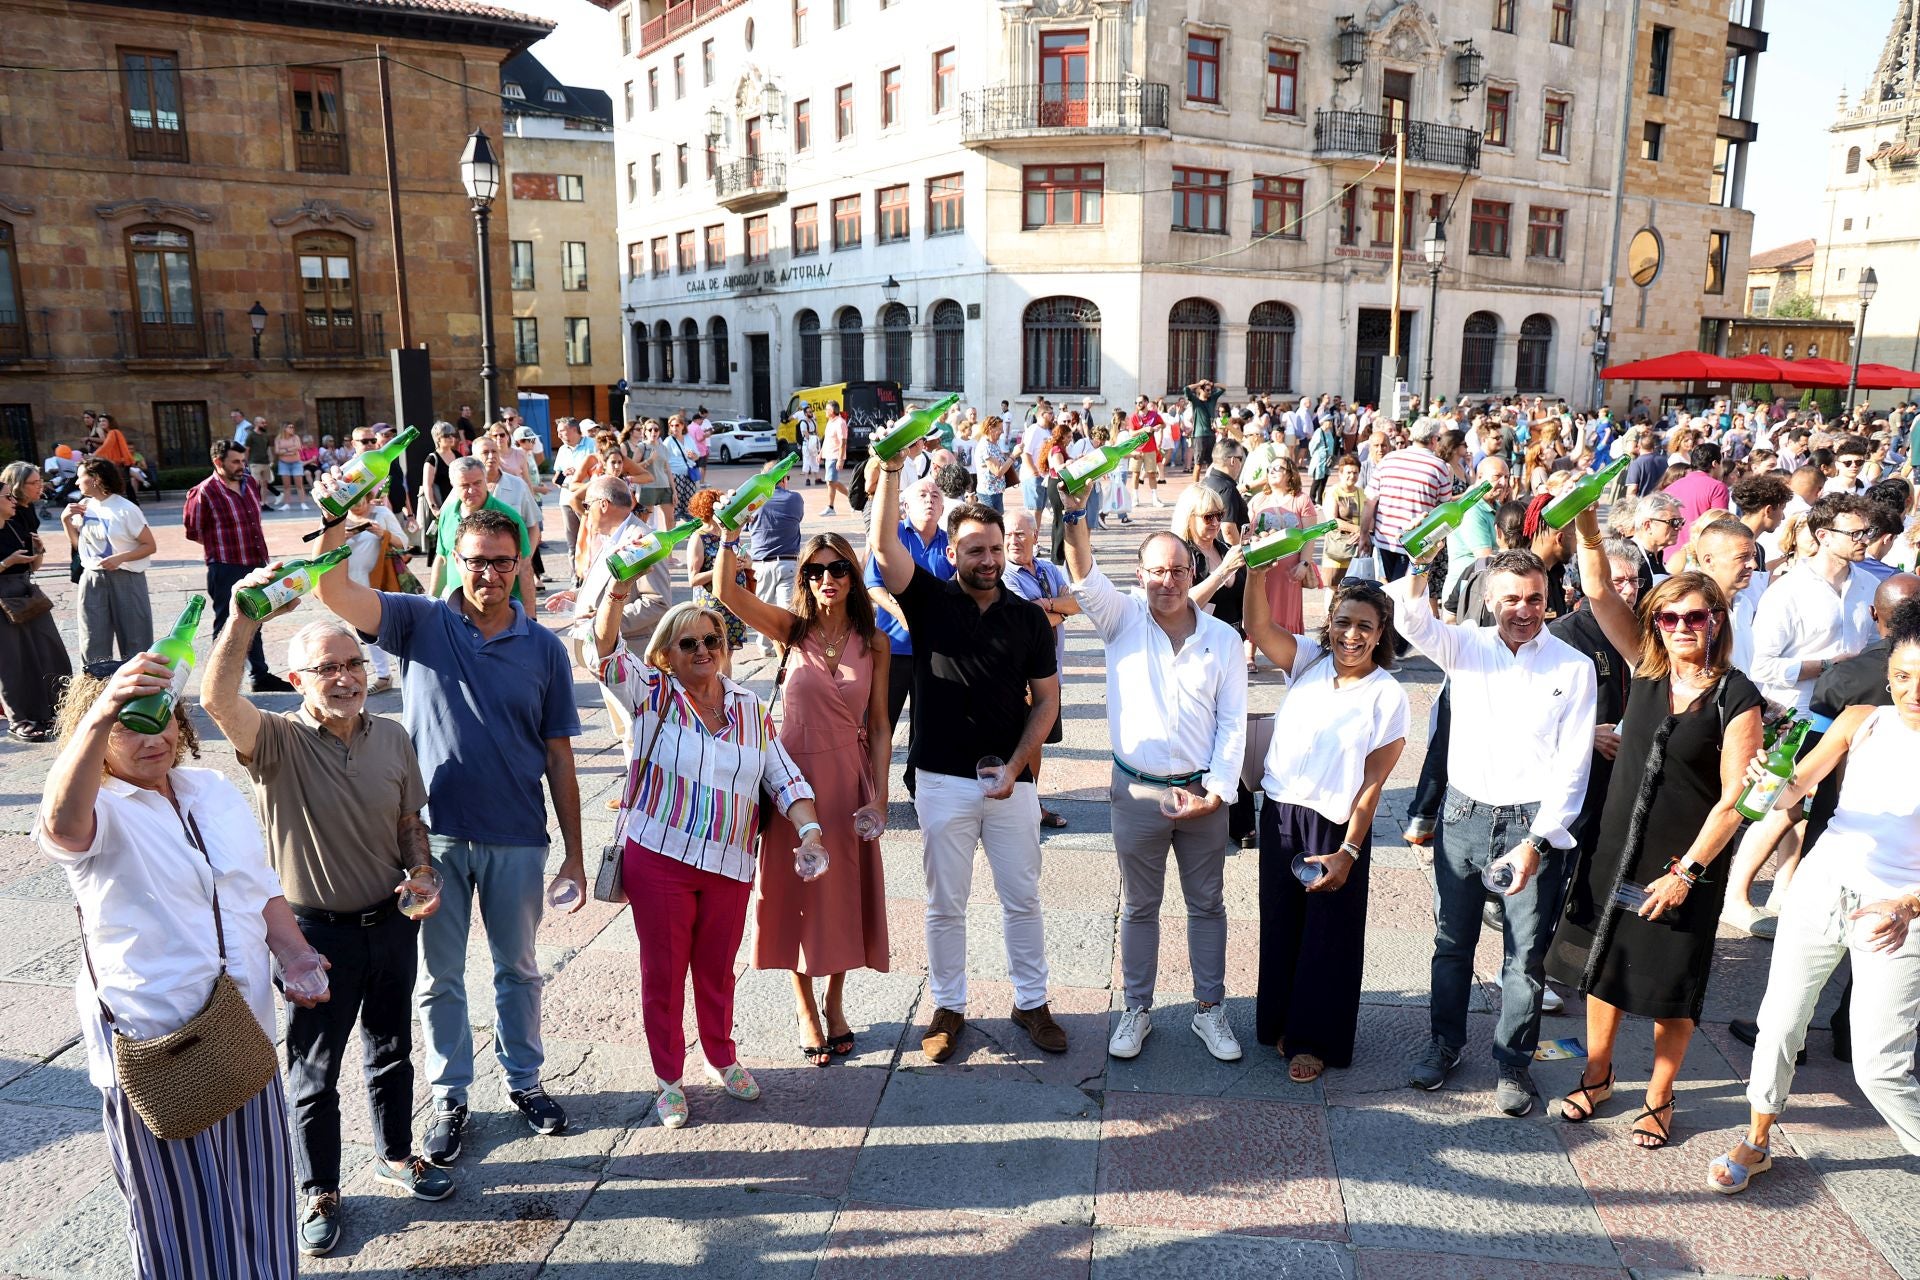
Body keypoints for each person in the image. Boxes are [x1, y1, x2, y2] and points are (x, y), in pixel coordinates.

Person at [311, 499, 584, 1163]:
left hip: (518, 835)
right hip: (430, 840)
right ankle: (452, 1093)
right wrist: (335, 522)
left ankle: (524, 1079)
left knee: (517, 969)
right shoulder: (418, 619)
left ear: (519, 562)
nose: (488, 573)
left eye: (500, 560)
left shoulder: (544, 649)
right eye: (475, 562)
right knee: (438, 978)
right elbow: (332, 588)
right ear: (454, 563)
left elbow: (559, 756)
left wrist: (576, 854)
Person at [40, 656, 327, 1278]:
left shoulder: (212, 790)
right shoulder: (97, 810)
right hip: (159, 1042)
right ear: (95, 729)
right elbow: (62, 825)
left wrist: (295, 953)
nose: (157, 738)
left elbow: (258, 885)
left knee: (261, 1198)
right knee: (182, 1224)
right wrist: (101, 711)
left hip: (242, 1027)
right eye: (130, 724)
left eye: (165, 718)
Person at [201, 588, 452, 1254]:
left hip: (392, 922)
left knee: (393, 1049)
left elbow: (408, 822)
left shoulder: (391, 736)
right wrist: (244, 616)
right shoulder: (276, 740)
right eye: (326, 669)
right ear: (296, 681)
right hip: (316, 935)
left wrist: (421, 870)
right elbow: (217, 700)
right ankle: (318, 1188)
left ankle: (397, 1155)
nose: (344, 678)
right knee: (314, 1070)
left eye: (354, 664)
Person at [1545, 506, 1764, 1149]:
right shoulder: (1646, 666)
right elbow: (1597, 590)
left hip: (1683, 859)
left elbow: (1735, 802)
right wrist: (1587, 528)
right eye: (1668, 618)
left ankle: (1660, 1097)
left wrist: (1688, 873)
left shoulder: (1737, 696)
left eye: (1694, 617)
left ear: (1715, 621)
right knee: (1603, 963)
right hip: (1617, 848)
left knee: (1672, 981)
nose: (1680, 628)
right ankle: (1597, 1073)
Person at [1708, 599, 1920, 1191]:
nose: (1912, 691)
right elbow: (1795, 787)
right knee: (1779, 1023)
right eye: (1902, 676)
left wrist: (1909, 905)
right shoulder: (1862, 719)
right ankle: (1756, 1141)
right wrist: (1766, 780)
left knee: (1880, 1068)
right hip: (1823, 886)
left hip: (1898, 912)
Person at [590, 598, 827, 1123]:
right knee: (665, 971)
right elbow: (603, 652)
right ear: (667, 655)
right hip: (660, 859)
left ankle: (721, 1055)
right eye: (689, 643)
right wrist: (615, 595)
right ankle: (669, 1078)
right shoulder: (651, 695)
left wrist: (809, 832)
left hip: (730, 864)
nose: (703, 650)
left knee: (718, 970)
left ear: (725, 647)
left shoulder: (747, 706)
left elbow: (784, 777)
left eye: (712, 640)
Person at [869, 456, 1066, 1063]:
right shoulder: (929, 601)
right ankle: (948, 1006)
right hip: (941, 780)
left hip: (1013, 782)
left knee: (1022, 898)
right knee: (944, 902)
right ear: (953, 555)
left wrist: (1017, 767)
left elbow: (1049, 700)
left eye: (995, 549)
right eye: (974, 550)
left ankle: (1031, 1001)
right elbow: (881, 547)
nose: (987, 560)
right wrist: (891, 471)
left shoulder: (1029, 616)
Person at [1397, 546, 1596, 1116]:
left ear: (1549, 599)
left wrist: (1538, 841)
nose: (1524, 609)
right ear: (1489, 600)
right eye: (1510, 598)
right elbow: (1412, 620)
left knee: (1525, 956)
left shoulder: (1572, 666)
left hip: (1532, 820)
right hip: (1463, 814)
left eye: (1534, 598)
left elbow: (1573, 765)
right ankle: (1445, 1043)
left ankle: (1514, 1062)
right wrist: (1419, 559)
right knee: (1451, 941)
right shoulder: (1465, 646)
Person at [1054, 484, 1246, 1063]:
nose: (1167, 581)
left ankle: (1209, 1010)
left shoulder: (1222, 639)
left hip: (1200, 793)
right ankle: (1136, 1007)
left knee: (1207, 902)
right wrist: (1073, 513)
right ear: (1139, 576)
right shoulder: (1122, 621)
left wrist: (1218, 791)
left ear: (1194, 572)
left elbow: (1234, 721)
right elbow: (1083, 571)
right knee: (1139, 905)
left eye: (1178, 571)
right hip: (1136, 788)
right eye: (1156, 571)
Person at [713, 532, 891, 1065]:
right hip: (791, 780)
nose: (826, 580)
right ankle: (804, 1007)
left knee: (841, 893)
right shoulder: (790, 631)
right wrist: (726, 534)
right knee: (793, 893)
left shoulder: (873, 640)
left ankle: (835, 1001)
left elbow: (880, 726)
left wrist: (878, 796)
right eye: (814, 572)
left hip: (847, 781)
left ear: (853, 575)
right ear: (804, 580)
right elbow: (725, 589)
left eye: (837, 569)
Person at [1244, 566, 1407, 1081]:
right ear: (1328, 624)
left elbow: (1373, 784)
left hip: (1334, 827)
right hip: (1280, 813)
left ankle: (1315, 1039)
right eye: (1342, 622)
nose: (1351, 635)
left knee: (1327, 936)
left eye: (1364, 626)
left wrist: (1350, 851)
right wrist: (1255, 573)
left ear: (1381, 634)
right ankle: (1280, 1021)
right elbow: (1257, 626)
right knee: (1281, 923)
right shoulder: (1308, 661)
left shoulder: (1387, 696)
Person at [1726, 494, 1880, 934]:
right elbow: (1764, 666)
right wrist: (1832, 665)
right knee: (1779, 805)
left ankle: (1787, 892)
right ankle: (1736, 897)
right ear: (1823, 536)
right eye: (1855, 533)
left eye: (1866, 532)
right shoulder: (1788, 590)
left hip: (1849, 714)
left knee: (1812, 810)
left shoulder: (1868, 585)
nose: (1863, 540)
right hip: (1795, 714)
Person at [556, 476, 672, 754]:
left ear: (603, 505)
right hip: (610, 654)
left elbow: (657, 602)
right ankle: (632, 793)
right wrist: (578, 597)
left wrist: (606, 621)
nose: (584, 513)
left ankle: (642, 795)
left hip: (629, 652)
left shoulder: (641, 541)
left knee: (638, 731)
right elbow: (607, 586)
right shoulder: (615, 537)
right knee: (625, 730)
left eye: (587, 505)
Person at [181, 439, 292, 692]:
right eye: (235, 461)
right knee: (226, 624)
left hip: (256, 563)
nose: (241, 466)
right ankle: (219, 681)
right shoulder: (204, 492)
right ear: (218, 462)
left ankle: (260, 676)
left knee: (258, 617)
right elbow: (193, 530)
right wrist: (220, 545)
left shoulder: (250, 483)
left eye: (243, 461)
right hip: (226, 565)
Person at [1004, 511, 1079, 829]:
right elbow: (1025, 620)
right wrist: (1057, 606)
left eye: (1020, 533)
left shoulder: (1049, 568)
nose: (1013, 540)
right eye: (1007, 534)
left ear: (1036, 536)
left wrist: (1045, 607)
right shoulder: (1005, 576)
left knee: (1037, 741)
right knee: (1017, 740)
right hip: (1018, 678)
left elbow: (1077, 603)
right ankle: (1013, 807)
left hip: (1049, 673)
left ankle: (1030, 803)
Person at [61, 458, 156, 666]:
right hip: (92, 578)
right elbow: (80, 547)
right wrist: (66, 521)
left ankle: (139, 691)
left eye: (80, 477)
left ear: (95, 479)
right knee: (92, 640)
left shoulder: (126, 509)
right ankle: (95, 691)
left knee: (136, 639)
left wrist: (120, 558)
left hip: (127, 578)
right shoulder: (84, 506)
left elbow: (150, 546)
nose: (76, 483)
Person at [0, 477, 71, 741]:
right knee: (12, 662)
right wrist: (7, 562)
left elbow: (32, 567)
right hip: (2, 600)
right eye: (7, 497)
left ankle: (53, 709)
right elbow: (10, 563)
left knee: (49, 651)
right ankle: (19, 719)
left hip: (26, 594)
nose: (13, 501)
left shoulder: (15, 526)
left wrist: (39, 552)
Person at [428, 456, 536, 605]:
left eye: (477, 483)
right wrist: (431, 602)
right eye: (464, 485)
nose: (472, 490)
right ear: (453, 486)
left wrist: (530, 616)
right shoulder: (447, 514)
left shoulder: (509, 516)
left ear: (486, 481)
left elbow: (524, 567)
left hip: (499, 610)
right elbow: (442, 560)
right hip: (457, 609)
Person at [1362, 418, 1453, 581]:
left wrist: (1364, 535)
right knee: (1407, 594)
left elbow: (1369, 502)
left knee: (1388, 588)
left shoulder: (1388, 460)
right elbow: (1444, 507)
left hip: (1385, 539)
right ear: (1433, 439)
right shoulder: (1440, 467)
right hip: (1416, 542)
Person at [745, 460, 805, 658]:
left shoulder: (754, 502)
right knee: (787, 608)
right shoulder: (794, 499)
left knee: (763, 608)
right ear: (784, 479)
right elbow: (797, 518)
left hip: (761, 563)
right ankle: (788, 646)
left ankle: (765, 647)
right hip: (788, 561)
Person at [685, 488, 751, 655]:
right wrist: (722, 569)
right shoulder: (699, 537)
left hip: (734, 602)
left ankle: (727, 682)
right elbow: (693, 579)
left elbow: (747, 558)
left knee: (727, 654)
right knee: (714, 653)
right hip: (713, 606)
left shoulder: (728, 533)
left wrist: (744, 563)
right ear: (710, 510)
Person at [820, 401, 848, 515]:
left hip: (835, 455)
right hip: (828, 454)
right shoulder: (830, 422)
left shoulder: (840, 423)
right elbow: (827, 439)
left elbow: (843, 442)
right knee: (832, 481)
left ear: (831, 411)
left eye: (827, 409)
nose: (825, 411)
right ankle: (852, 498)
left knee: (831, 481)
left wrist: (840, 459)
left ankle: (830, 507)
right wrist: (820, 453)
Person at [274, 422, 310, 510]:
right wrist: (290, 450)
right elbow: (277, 451)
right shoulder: (278, 439)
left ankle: (303, 503)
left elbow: (298, 447)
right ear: (284, 428)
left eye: (293, 427)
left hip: (296, 463)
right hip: (283, 463)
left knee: (299, 485)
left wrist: (284, 451)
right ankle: (287, 504)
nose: (292, 429)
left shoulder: (295, 437)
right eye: (290, 427)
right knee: (286, 485)